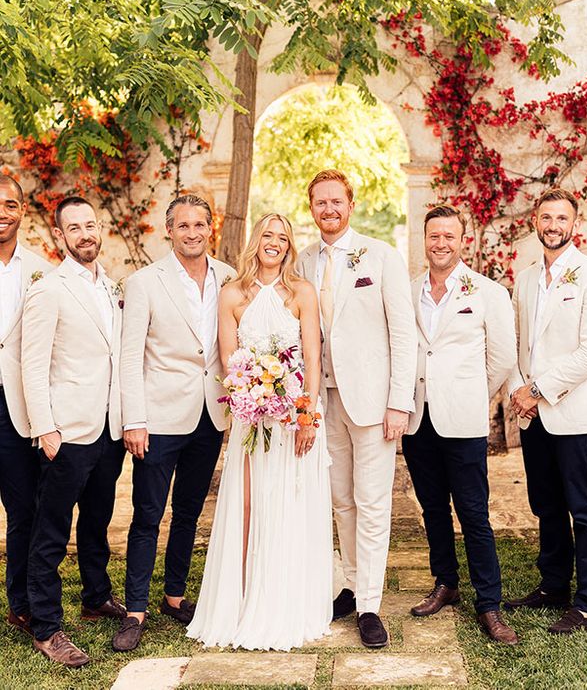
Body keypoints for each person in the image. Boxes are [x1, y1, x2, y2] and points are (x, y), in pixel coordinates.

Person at [187, 213, 333, 650]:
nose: (274, 243)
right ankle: (246, 596)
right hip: (252, 419)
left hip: (294, 420)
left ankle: (287, 598)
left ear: (290, 246)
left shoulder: (302, 292)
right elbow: (230, 363)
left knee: (290, 503)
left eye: (282, 237)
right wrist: (248, 397)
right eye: (267, 235)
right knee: (249, 505)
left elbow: (312, 359)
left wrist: (307, 415)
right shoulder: (233, 293)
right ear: (256, 241)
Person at [296, 170, 417, 648]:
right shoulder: (302, 261)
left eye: (336, 201)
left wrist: (398, 402)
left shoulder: (381, 255)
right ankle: (349, 584)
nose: (329, 209)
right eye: (320, 202)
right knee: (340, 501)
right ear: (312, 209)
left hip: (373, 402)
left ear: (350, 204)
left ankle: (370, 603)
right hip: (322, 401)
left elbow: (403, 334)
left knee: (372, 504)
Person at [112, 195, 236, 652]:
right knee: (147, 514)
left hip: (211, 412)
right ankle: (135, 610)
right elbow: (130, 355)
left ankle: (174, 595)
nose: (192, 232)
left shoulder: (228, 277)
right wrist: (135, 420)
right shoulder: (143, 282)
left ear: (210, 228)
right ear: (170, 231)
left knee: (188, 511)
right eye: (183, 225)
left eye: (200, 224)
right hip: (159, 418)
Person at [402, 205, 518, 645]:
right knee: (432, 509)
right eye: (434, 235)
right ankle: (445, 583)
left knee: (473, 514)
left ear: (462, 240)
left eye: (449, 236)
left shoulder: (488, 292)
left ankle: (489, 605)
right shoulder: (409, 291)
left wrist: (471, 392)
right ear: (424, 238)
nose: (441, 243)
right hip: (419, 417)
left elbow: (503, 357)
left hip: (464, 420)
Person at [506, 187, 587, 634]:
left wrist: (537, 389)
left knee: (583, 507)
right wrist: (519, 391)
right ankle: (554, 585)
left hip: (572, 412)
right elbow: (518, 344)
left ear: (575, 224)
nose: (553, 226)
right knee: (545, 504)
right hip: (533, 413)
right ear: (535, 221)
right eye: (546, 218)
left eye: (561, 219)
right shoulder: (527, 277)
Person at [22, 196, 126, 667]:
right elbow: (33, 363)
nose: (85, 234)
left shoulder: (110, 285)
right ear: (60, 236)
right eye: (74, 228)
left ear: (99, 228)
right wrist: (46, 428)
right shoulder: (49, 288)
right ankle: (45, 626)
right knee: (50, 530)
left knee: (97, 520)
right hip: (66, 431)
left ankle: (95, 596)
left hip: (108, 430)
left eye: (91, 224)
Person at [0, 175, 54, 636]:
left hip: (15, 405)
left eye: (10, 204)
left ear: (23, 211)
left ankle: (21, 602)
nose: (2, 211)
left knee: (24, 509)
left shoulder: (41, 269)